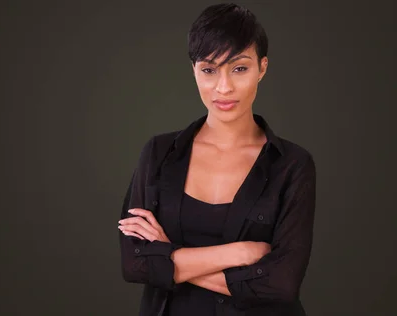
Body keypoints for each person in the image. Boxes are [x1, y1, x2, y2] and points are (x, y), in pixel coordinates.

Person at [117, 3, 316, 316]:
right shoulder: (158, 153)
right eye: (209, 70)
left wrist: (169, 255)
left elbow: (280, 284)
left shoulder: (291, 164)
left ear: (262, 67)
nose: (224, 87)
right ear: (194, 71)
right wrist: (241, 252)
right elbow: (135, 263)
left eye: (239, 68)